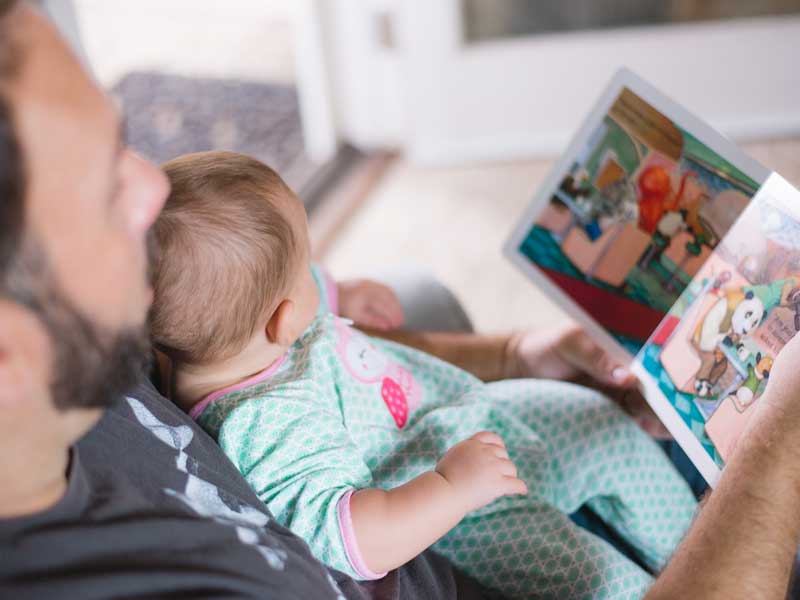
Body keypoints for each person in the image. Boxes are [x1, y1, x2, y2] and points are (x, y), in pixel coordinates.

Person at [0, 2, 798, 599]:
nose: (151, 183)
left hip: (452, 428)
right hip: (479, 522)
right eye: (104, 187)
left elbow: (318, 343)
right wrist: (781, 444)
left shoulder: (126, 318)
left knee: (626, 403)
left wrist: (516, 351)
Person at [149, 150, 697, 599]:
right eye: (307, 268)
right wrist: (451, 488)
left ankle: (697, 547)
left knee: (600, 421)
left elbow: (278, 290)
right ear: (284, 319)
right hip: (467, 511)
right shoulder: (267, 424)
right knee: (601, 584)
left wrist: (339, 291)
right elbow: (353, 537)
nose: (316, 274)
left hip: (464, 414)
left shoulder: (235, 337)